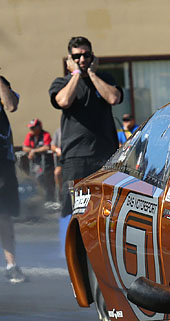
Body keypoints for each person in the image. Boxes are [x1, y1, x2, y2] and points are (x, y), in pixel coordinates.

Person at [49, 36, 122, 222]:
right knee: (74, 211)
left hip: (106, 156)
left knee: (106, 209)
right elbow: (64, 101)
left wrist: (92, 74)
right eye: (76, 56)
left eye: (86, 55)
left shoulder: (105, 79)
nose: (82, 60)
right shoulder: (61, 82)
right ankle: (71, 241)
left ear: (93, 56)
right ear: (70, 59)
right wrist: (75, 75)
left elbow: (113, 98)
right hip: (75, 157)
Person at [0, 74, 26, 283]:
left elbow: (11, 105)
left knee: (4, 215)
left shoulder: (2, 84)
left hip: (3, 161)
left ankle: (11, 265)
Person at [22, 118, 56, 203]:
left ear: (39, 127)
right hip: (36, 163)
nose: (31, 129)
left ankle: (50, 199)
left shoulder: (45, 135)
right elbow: (24, 147)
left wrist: (34, 151)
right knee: (37, 179)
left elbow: (47, 147)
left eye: (33, 128)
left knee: (48, 181)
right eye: (30, 128)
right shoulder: (30, 136)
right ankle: (41, 199)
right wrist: (32, 151)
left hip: (47, 163)